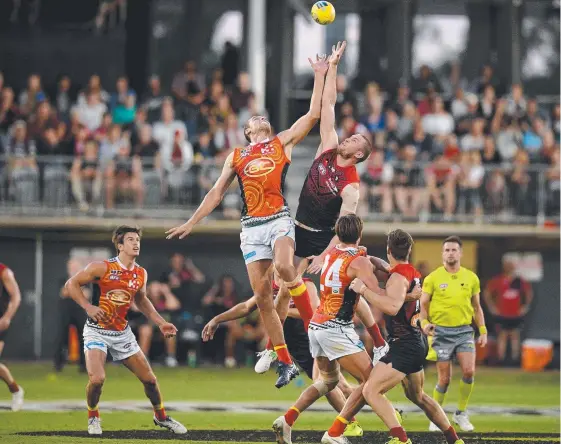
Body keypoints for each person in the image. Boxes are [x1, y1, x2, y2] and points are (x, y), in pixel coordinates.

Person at [166, 52, 331, 388]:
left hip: (278, 219)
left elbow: (313, 114)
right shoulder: (237, 156)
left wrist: (319, 74)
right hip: (251, 228)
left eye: (262, 117)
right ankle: (284, 362)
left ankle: (317, 329)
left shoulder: (280, 142)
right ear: (246, 131)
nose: (259, 118)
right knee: (264, 300)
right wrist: (192, 221)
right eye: (253, 119)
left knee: (286, 269)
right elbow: (215, 192)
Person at [256, 41, 381, 374]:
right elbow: (327, 105)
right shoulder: (327, 147)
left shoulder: (351, 185)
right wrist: (327, 71)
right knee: (281, 288)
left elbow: (345, 229)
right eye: (351, 137)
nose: (349, 138)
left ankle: (375, 344)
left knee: (327, 298)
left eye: (355, 141)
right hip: (296, 227)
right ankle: (275, 351)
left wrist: (324, 255)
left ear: (359, 154)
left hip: (322, 239)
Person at [272, 216, 409, 444]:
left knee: (327, 382)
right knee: (371, 382)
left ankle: (287, 420)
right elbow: (378, 294)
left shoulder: (331, 254)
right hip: (336, 328)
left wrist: (367, 258)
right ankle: (338, 433)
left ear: (338, 233)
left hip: (316, 326)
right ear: (360, 233)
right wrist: (404, 291)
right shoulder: (360, 262)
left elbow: (356, 258)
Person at [323, 228, 464, 444]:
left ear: (389, 249)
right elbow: (394, 292)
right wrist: (369, 259)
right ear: (408, 250)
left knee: (371, 390)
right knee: (418, 397)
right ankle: (454, 439)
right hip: (415, 342)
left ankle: (400, 438)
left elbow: (391, 306)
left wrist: (363, 290)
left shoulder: (398, 277)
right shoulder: (409, 272)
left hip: (404, 346)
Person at [202, 274, 367, 438]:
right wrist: (217, 319)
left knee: (324, 384)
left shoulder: (305, 285)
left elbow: (313, 311)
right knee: (340, 387)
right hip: (297, 348)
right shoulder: (270, 289)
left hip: (314, 338)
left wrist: (276, 309)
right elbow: (245, 307)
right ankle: (377, 402)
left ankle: (352, 422)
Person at [64, 225, 186, 436]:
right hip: (96, 331)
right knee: (97, 379)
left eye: (137, 239)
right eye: (130, 239)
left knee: (150, 380)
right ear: (120, 245)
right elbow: (71, 284)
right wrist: (88, 306)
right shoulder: (101, 267)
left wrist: (160, 322)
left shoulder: (140, 273)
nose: (136, 243)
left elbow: (141, 299)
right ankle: (93, 416)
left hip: (122, 334)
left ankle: (161, 417)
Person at [420, 236, 487, 432]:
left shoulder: (471, 278)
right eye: (447, 250)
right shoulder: (433, 278)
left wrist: (482, 330)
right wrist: (424, 323)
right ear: (443, 254)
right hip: (440, 332)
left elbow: (477, 307)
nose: (450, 253)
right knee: (444, 379)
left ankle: (461, 413)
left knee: (469, 371)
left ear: (460, 253)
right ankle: (436, 416)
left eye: (454, 250)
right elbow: (423, 304)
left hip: (464, 331)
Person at [483, 257, 533, 365]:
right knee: (503, 335)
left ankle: (515, 360)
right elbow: (487, 293)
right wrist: (492, 307)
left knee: (515, 335)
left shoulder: (518, 281)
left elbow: (529, 293)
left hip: (515, 313)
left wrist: (525, 306)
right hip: (502, 313)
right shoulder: (498, 280)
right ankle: (501, 359)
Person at [0, 262, 24, 411]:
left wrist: (7, 317)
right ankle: (15, 390)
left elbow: (16, 296)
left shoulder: (4, 272)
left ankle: (16, 390)